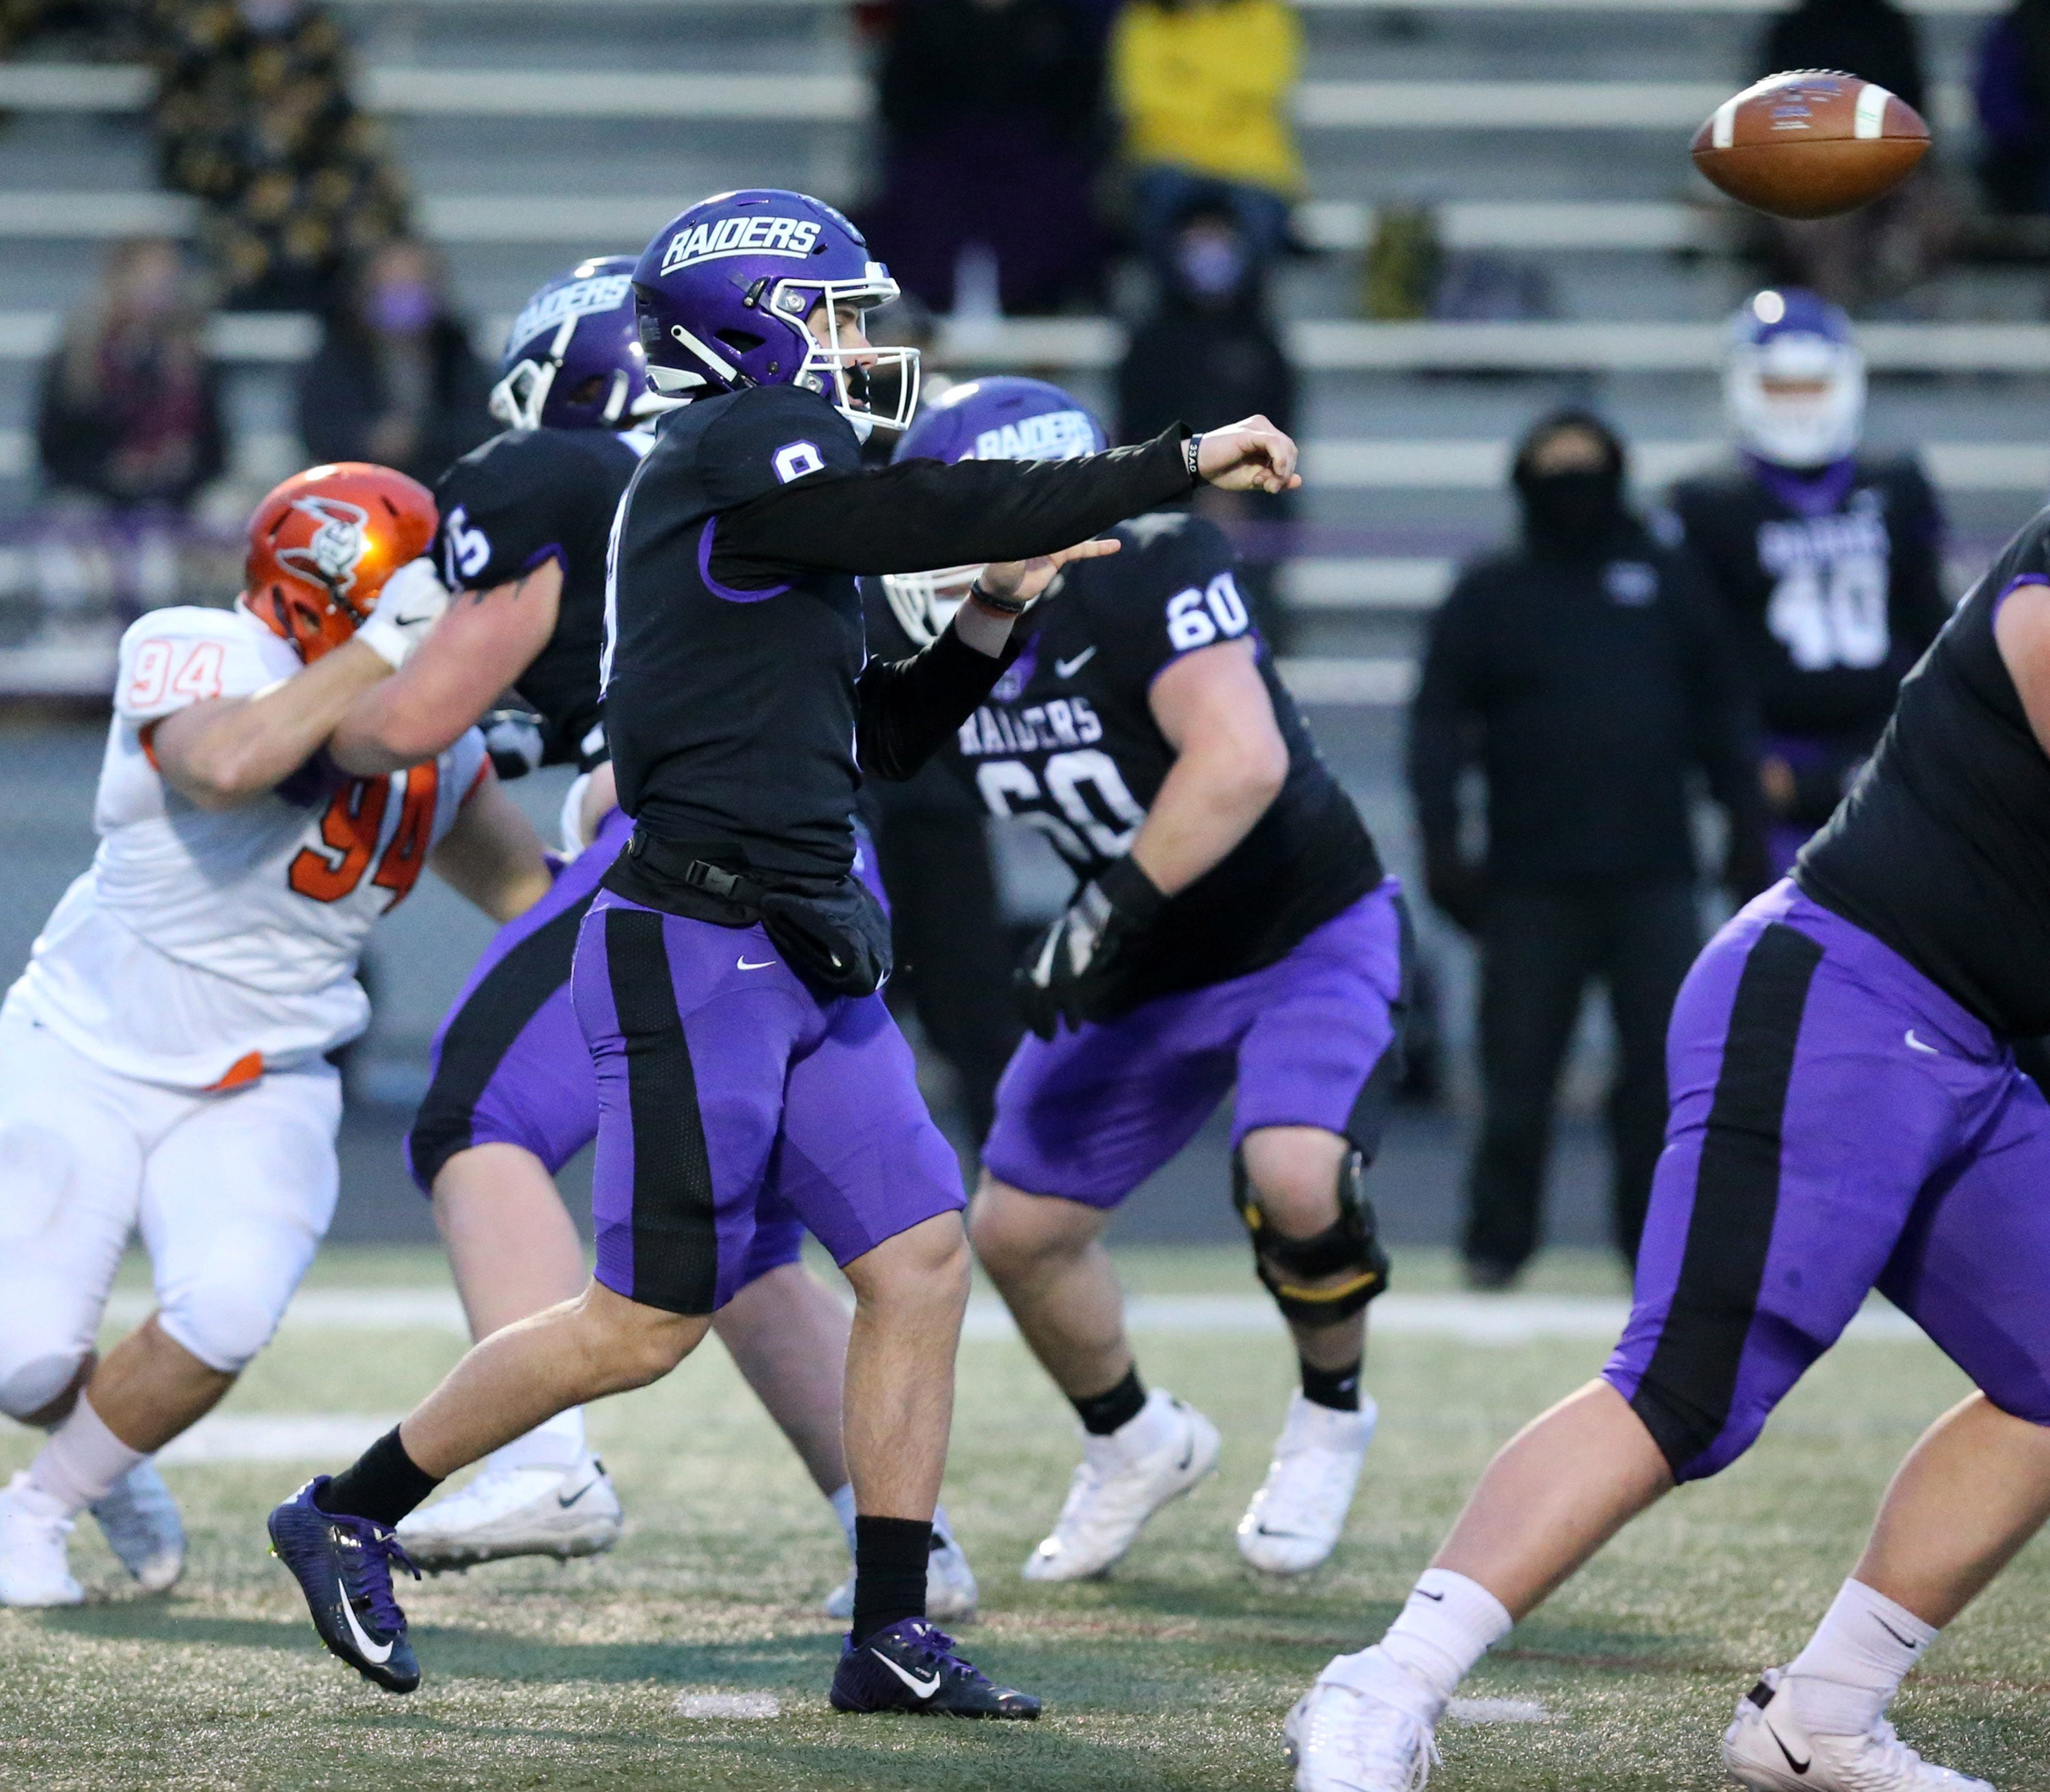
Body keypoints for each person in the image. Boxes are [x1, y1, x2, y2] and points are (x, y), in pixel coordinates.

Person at [265, 187, 1301, 1715]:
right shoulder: (733, 445)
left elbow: (875, 735)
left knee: (923, 1260)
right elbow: (927, 512)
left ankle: (889, 1629)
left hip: (807, 945)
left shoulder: (767, 500)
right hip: (698, 939)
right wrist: (1176, 458)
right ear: (749, 318)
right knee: (645, 1325)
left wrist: (994, 624)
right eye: (831, 312)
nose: (855, 344)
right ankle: (347, 1506)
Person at [1283, 504, 2050, 1792]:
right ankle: (1382, 1681)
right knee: (1689, 1384)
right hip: (1846, 995)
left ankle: (1822, 1716)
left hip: (1970, 1045)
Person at [320, 255, 977, 1621]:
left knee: (474, 1116)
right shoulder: (743, 475)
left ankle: (540, 1462)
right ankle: (899, 1543)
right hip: (807, 860)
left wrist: (339, 670)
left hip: (683, 864)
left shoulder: (546, 475)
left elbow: (398, 730)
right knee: (752, 1245)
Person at [869, 376, 1401, 1584]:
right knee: (1015, 1230)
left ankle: (1331, 1411)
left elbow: (1240, 759)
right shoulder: (943, 625)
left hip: (1295, 927)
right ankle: (1134, 1440)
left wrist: (1106, 904)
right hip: (1151, 948)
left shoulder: (1148, 562)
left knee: (1295, 1167)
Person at [0, 462, 549, 1607]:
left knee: (229, 1307)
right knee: (25, 1358)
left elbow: (526, 893)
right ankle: (115, 1451)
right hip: (84, 1046)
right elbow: (229, 763)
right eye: (419, 603)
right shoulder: (198, 643)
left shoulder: (431, 744)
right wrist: (387, 649)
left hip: (268, 1073)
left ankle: (40, 1502)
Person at [1408, 410, 1764, 1289]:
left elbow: (1724, 711)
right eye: (1552, 466)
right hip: (1529, 882)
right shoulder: (1489, 589)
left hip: (1656, 876)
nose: (1571, 481)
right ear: (1523, 480)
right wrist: (1443, 843)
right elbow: (1437, 726)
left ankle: (1655, 1253)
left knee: (1661, 1079)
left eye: (1586, 464)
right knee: (1515, 1082)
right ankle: (1496, 1249)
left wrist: (1743, 826)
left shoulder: (1669, 578)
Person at [1669, 290, 1949, 880]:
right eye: (1780, 386)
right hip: (1773, 762)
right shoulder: (1709, 505)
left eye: (1812, 384)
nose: (1798, 403)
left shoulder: (1897, 487)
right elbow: (1702, 660)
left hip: (1890, 746)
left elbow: (1930, 626)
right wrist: (1743, 767)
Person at [1116, 195, 1298, 646]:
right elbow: (1133, 446)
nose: (1210, 248)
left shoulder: (1264, 344)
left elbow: (1284, 441)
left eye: (1220, 235)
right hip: (1165, 514)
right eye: (1198, 235)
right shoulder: (1149, 345)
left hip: (1253, 516)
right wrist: (1200, 487)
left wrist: (1244, 491)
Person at [861, 0, 1109, 316]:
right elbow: (900, 93)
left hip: (1030, 140)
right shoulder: (928, 15)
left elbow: (1079, 88)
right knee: (927, 184)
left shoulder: (1056, 16)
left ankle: (1039, 299)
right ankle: (926, 299)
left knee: (1049, 184)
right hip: (945, 139)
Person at [1111, 0, 1304, 273]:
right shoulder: (1144, 15)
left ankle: (1247, 308)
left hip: (1251, 163)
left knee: (1257, 218)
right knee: (1161, 208)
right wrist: (1223, 95)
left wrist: (1183, 77)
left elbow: (1265, 83)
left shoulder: (1263, 12)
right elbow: (1141, 96)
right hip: (1169, 157)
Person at [297, 238, 493, 487]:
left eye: (413, 286)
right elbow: (319, 428)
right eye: (392, 286)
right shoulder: (339, 351)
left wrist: (420, 438)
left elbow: (478, 427)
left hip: (441, 488)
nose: (402, 296)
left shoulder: (456, 352)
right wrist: (369, 442)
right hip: (358, 490)